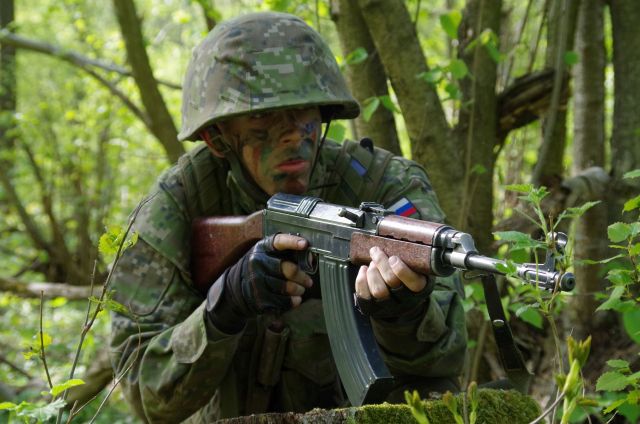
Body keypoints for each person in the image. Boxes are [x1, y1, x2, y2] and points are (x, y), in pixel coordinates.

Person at [109, 11, 467, 423]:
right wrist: (224, 307)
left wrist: (404, 314)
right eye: (263, 117)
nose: (294, 134)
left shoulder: (383, 187)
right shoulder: (179, 203)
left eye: (303, 112)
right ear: (217, 137)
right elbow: (147, 396)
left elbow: (446, 360)